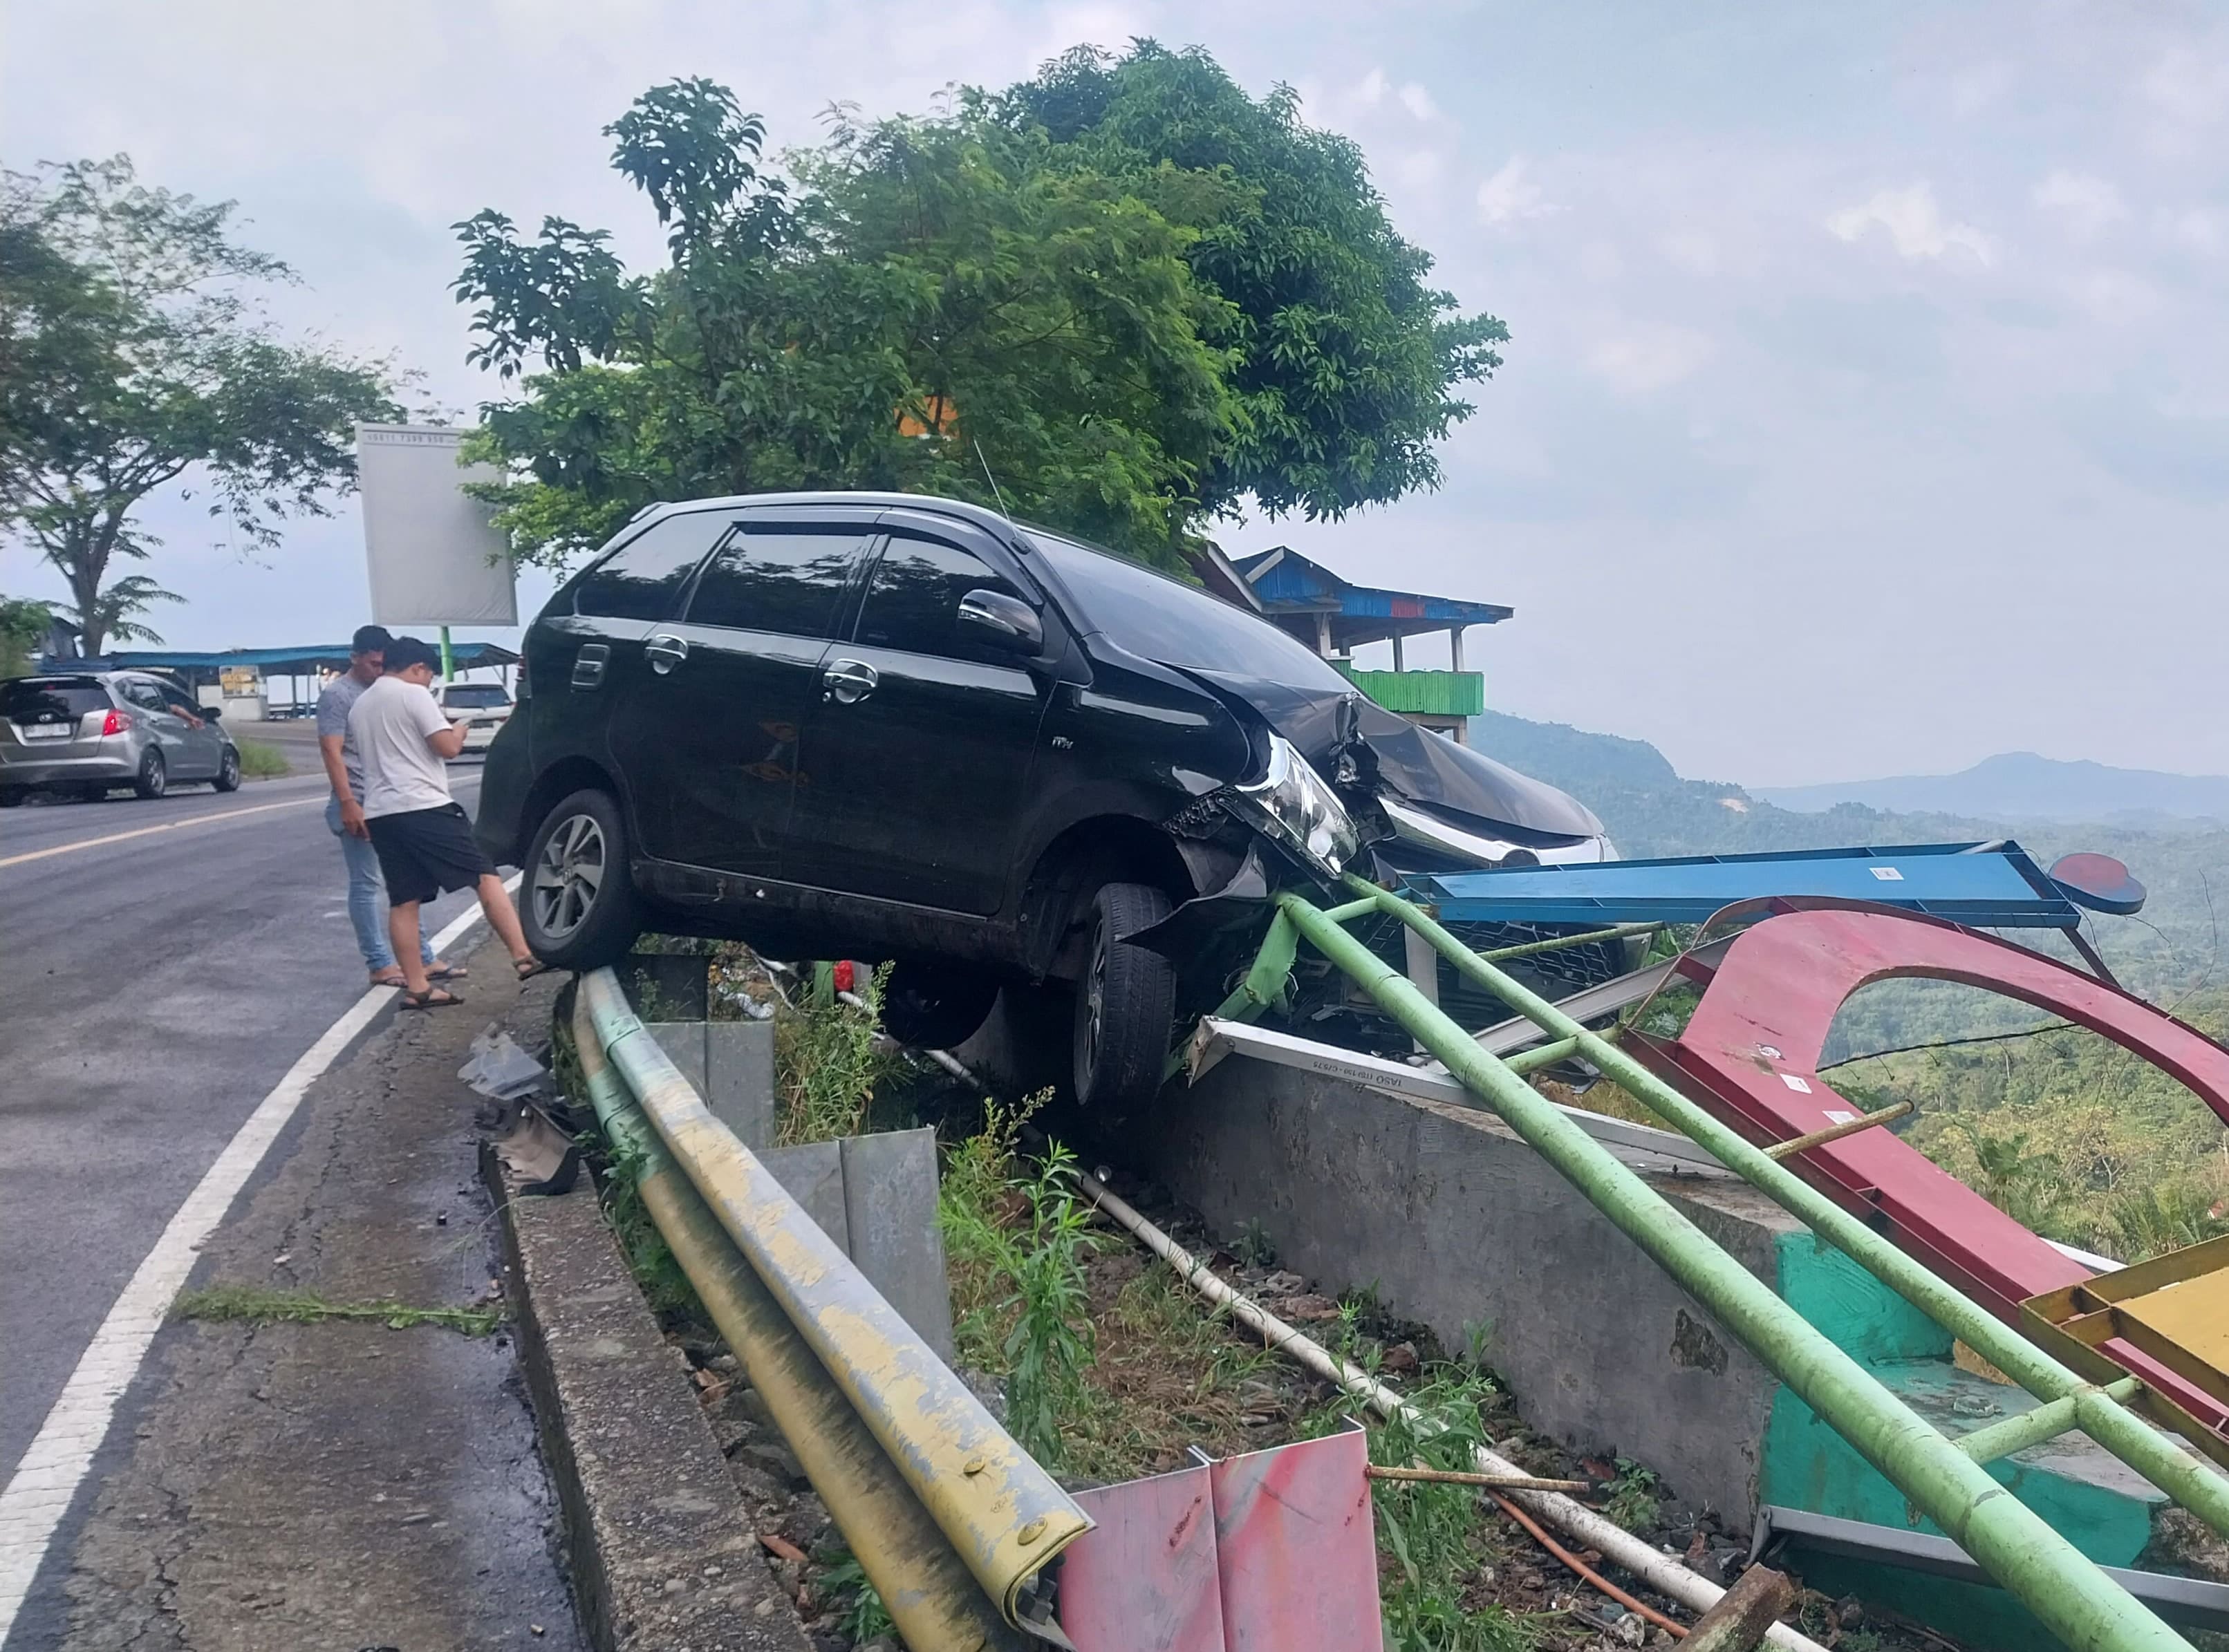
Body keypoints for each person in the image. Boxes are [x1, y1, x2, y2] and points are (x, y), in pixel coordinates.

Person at [349, 635, 545, 1008]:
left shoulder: (362, 705)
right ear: (418, 667)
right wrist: (458, 731)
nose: (429, 683)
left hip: (382, 812)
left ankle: (418, 988)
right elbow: (448, 749)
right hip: (424, 805)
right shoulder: (413, 695)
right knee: (485, 876)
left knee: (404, 900)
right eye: (429, 676)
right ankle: (524, 957)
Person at [317, 624, 454, 988]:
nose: (379, 670)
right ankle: (378, 962)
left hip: (389, 800)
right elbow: (332, 750)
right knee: (366, 883)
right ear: (355, 658)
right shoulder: (339, 696)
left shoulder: (386, 693)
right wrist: (348, 802)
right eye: (373, 663)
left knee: (404, 883)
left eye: (383, 663)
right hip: (358, 799)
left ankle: (423, 957)